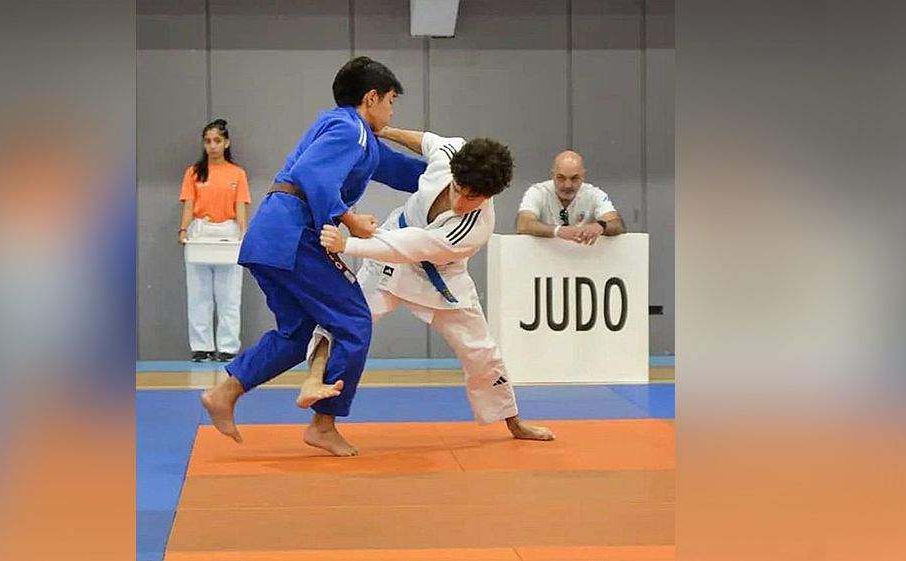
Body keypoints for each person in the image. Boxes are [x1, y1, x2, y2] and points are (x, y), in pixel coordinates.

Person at [199, 57, 427, 456]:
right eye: (390, 101)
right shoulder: (348, 128)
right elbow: (312, 176)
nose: (392, 112)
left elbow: (404, 172)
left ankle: (225, 392)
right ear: (370, 98)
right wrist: (351, 220)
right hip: (292, 235)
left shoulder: (357, 136)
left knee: (297, 333)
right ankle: (324, 424)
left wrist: (453, 171)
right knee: (354, 319)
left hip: (270, 238)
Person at [304, 126, 555, 442]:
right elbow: (425, 141)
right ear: (454, 173)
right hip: (389, 260)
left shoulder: (475, 227)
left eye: (473, 197)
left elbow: (411, 246)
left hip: (441, 277)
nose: (461, 201)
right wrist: (384, 131)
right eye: (459, 188)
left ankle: (513, 422)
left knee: (482, 351)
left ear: (490, 196)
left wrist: (348, 245)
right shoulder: (450, 154)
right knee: (348, 318)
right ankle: (320, 413)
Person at [178, 119, 251, 362]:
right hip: (200, 232)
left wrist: (244, 232)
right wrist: (183, 229)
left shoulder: (237, 174)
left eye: (217, 141)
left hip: (228, 233)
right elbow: (189, 203)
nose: (212, 145)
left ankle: (228, 347)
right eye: (208, 141)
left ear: (226, 143)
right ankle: (202, 347)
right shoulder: (194, 173)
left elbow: (240, 205)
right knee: (199, 295)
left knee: (229, 294)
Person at [515, 150, 626, 244]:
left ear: (583, 176)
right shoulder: (537, 192)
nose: (567, 185)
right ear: (552, 175)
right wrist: (558, 231)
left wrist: (601, 226)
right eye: (561, 178)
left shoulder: (595, 194)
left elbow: (617, 224)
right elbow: (523, 225)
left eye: (574, 178)